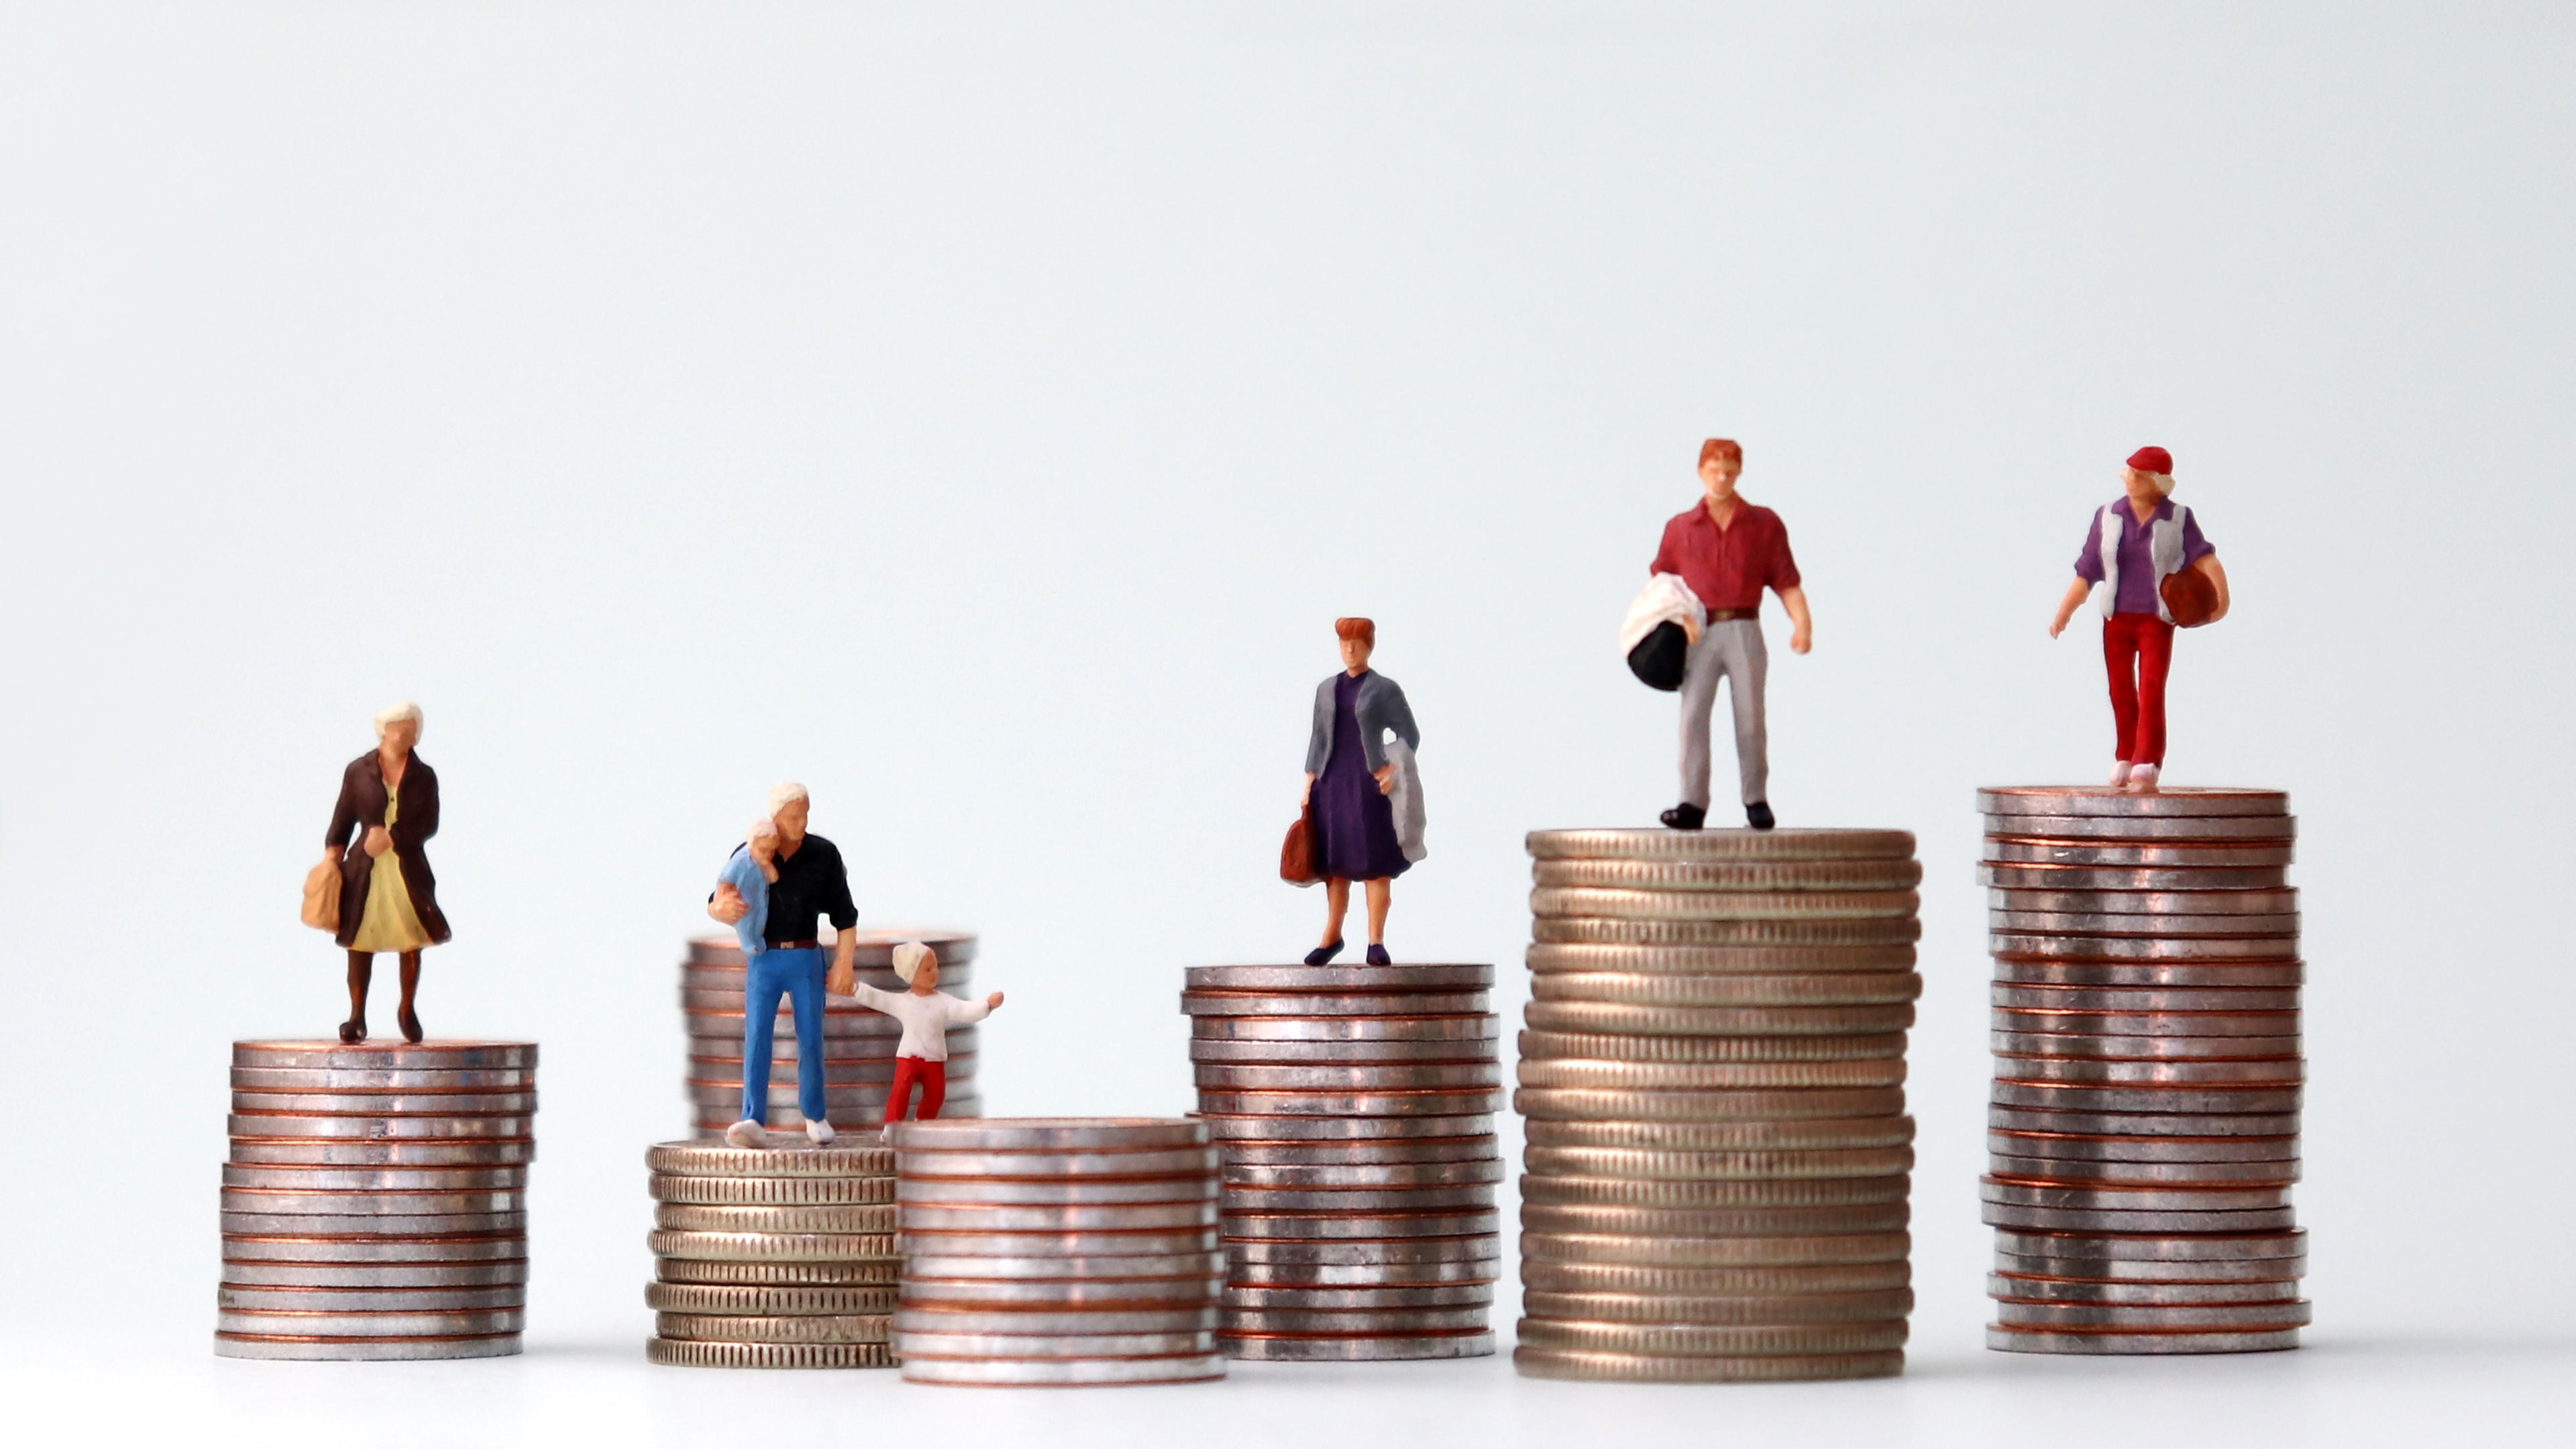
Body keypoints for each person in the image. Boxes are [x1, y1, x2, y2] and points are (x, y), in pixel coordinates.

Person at [1650, 439, 1811, 831]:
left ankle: (1755, 798)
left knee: (1751, 717)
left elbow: (1785, 580)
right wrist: (1670, 621)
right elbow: (1663, 584)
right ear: (1700, 471)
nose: (1721, 477)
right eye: (1714, 469)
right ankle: (1692, 801)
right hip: (1699, 631)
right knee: (1693, 718)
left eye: (1729, 470)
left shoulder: (1764, 525)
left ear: (1739, 472)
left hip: (1744, 628)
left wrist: (1801, 623)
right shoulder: (1681, 528)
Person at [2049, 445, 2230, 793]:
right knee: (2120, 690)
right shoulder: (2108, 516)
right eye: (2128, 472)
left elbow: (2206, 558)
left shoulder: (2178, 518)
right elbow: (2087, 571)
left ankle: (2147, 760)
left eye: (2138, 474)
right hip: (2117, 618)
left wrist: (2220, 600)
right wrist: (2064, 613)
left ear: (2157, 482)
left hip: (2155, 620)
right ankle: (2126, 755)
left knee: (2150, 689)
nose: (2129, 478)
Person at [707, 783, 860, 1148]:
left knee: (810, 1038)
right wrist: (717, 909)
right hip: (764, 958)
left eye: (805, 814)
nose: (801, 822)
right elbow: (721, 892)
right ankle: (752, 1118)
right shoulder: (752, 851)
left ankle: (815, 1114)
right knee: (758, 1037)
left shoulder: (824, 855)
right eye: (792, 816)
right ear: (774, 817)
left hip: (806, 957)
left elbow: (845, 917)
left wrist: (845, 964)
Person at [321, 701, 451, 1044]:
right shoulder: (358, 771)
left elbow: (429, 823)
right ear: (384, 731)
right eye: (399, 729)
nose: (405, 735)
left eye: (411, 730)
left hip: (406, 869)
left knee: (411, 938)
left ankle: (407, 1009)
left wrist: (393, 837)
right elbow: (343, 815)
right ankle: (357, 1015)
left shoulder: (424, 777)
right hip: (365, 870)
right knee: (360, 941)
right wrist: (333, 853)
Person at [1300, 617, 1424, 965]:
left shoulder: (1385, 689)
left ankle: (1375, 941)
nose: (1350, 649)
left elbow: (1409, 734)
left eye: (1357, 642)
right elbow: (1318, 738)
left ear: (1370, 645)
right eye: (1344, 642)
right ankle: (1332, 935)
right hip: (1333, 783)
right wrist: (1310, 780)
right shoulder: (1326, 689)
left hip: (1368, 786)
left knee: (1374, 866)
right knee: (1334, 866)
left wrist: (1394, 767)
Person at [835, 941, 1002, 1144]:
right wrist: (854, 987)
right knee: (901, 1091)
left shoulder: (944, 1002)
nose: (935, 972)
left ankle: (923, 1126)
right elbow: (877, 997)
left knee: (936, 1095)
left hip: (935, 1058)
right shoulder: (903, 1002)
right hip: (909, 1056)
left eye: (936, 967)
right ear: (912, 974)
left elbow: (965, 1011)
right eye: (928, 969)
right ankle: (891, 1128)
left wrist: (987, 1005)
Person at [714, 820, 782, 961]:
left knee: (759, 922)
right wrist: (721, 899)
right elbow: (725, 881)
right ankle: (747, 944)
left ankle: (757, 941)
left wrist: (767, 865)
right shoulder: (739, 862)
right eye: (763, 850)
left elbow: (773, 878)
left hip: (758, 901)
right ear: (752, 845)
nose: (768, 855)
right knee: (746, 923)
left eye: (772, 851)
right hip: (743, 901)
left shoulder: (763, 862)